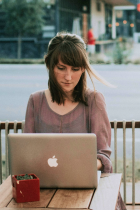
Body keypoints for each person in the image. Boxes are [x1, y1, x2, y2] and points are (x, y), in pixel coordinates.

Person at [24, 32, 126, 210]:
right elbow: (26, 152)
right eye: (61, 68)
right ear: (49, 65)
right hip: (44, 192)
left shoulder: (94, 100)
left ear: (83, 68)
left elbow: (104, 156)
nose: (68, 77)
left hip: (88, 193)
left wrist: (77, 167)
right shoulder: (35, 100)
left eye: (75, 69)